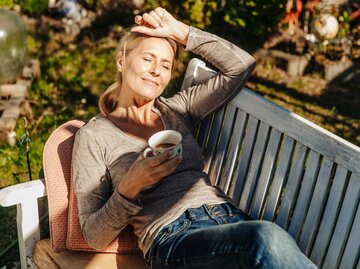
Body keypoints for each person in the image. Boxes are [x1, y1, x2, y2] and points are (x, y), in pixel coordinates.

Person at [72, 7, 318, 269]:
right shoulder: (94, 136)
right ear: (121, 62)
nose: (156, 70)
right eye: (148, 59)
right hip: (174, 238)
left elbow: (241, 66)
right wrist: (129, 187)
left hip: (230, 221)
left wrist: (182, 32)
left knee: (268, 241)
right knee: (267, 238)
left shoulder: (178, 109)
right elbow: (93, 235)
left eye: (165, 65)